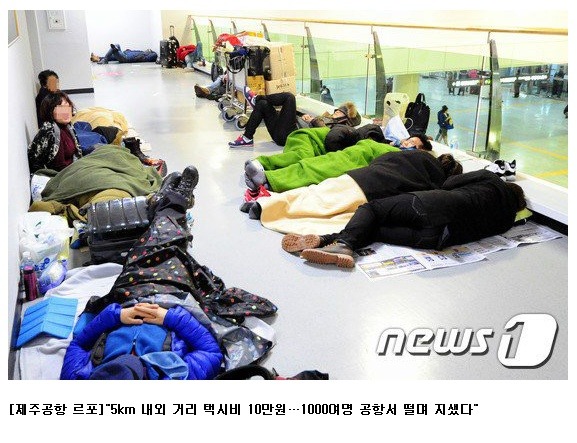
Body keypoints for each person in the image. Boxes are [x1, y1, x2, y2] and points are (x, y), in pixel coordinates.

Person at [60, 166, 277, 379]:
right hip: (173, 298)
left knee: (142, 251)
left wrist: (116, 316)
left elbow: (78, 344)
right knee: (170, 249)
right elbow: (210, 351)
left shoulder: (77, 380)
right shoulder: (176, 378)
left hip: (127, 296)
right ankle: (171, 204)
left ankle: (169, 204)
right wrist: (169, 317)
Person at [289, 169, 527, 269]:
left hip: (432, 206)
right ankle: (327, 241)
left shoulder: (491, 179)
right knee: (376, 230)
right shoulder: (506, 222)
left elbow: (449, 183)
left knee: (372, 210)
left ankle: (342, 243)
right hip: (436, 239)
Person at [246, 150, 462, 238]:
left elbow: (382, 158)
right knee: (325, 213)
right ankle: (265, 208)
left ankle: (269, 202)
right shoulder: (434, 180)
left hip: (359, 175)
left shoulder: (416, 155)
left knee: (316, 194)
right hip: (371, 191)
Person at [244, 133, 433, 194]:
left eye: (413, 145)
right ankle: (267, 176)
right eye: (409, 140)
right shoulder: (389, 144)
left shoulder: (406, 158)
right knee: (317, 163)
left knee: (317, 168)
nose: (407, 144)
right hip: (354, 153)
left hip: (357, 159)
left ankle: (270, 180)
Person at [228, 88, 361, 148]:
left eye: (339, 113)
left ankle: (256, 98)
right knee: (263, 105)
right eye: (337, 111)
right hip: (282, 132)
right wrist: (305, 117)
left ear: (345, 118)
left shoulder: (339, 127)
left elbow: (325, 132)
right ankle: (247, 138)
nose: (336, 113)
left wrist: (312, 120)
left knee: (289, 97)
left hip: (290, 135)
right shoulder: (327, 117)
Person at [28, 91, 82, 173]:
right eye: (61, 109)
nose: (66, 112)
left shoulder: (67, 126)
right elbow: (59, 167)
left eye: (68, 107)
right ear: (50, 111)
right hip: (61, 175)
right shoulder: (51, 131)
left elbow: (77, 152)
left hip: (72, 167)